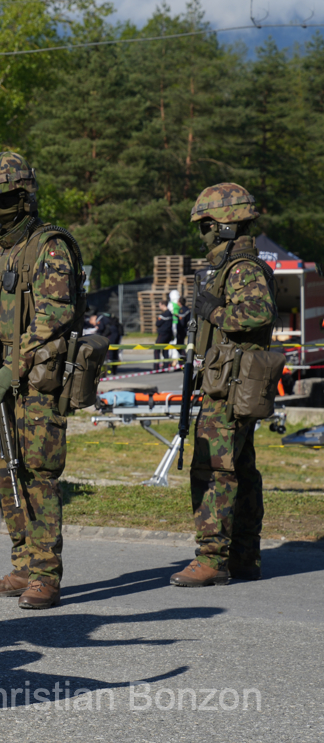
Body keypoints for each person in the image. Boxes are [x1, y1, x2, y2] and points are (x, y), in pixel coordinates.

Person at [0, 152, 82, 610]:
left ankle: (46, 574)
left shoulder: (48, 246)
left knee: (39, 476)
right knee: (6, 469)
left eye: (4, 199)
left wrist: (15, 365)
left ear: (25, 196)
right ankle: (23, 564)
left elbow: (57, 314)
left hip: (35, 382)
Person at [170, 182, 275, 587]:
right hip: (228, 383)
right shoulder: (234, 265)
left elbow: (258, 314)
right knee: (241, 469)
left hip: (230, 388)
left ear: (226, 227)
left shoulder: (242, 267)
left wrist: (214, 312)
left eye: (207, 225)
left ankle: (212, 559)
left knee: (214, 470)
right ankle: (244, 555)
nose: (204, 234)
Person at [155, 302, 175, 370]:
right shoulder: (170, 313)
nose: (159, 307)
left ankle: (156, 367)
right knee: (165, 350)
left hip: (162, 334)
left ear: (163, 305)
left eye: (160, 306)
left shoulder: (163, 315)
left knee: (156, 349)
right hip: (169, 334)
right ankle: (166, 367)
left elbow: (157, 323)